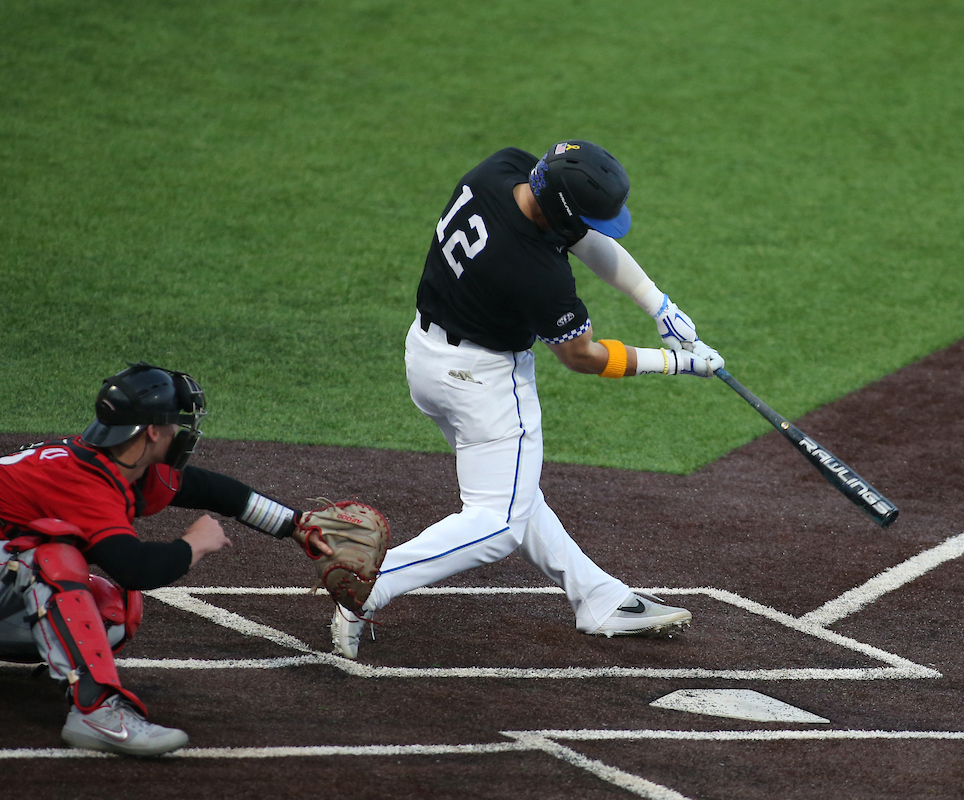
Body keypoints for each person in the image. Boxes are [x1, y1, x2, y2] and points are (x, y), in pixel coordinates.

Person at [330, 140, 724, 658]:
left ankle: (598, 596)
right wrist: (675, 362)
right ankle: (369, 584)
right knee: (497, 524)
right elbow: (581, 356)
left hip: (426, 358)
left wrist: (659, 305)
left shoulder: (505, 168)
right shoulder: (535, 271)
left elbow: (583, 236)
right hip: (484, 384)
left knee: (514, 493)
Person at [0, 362, 333, 757]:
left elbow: (213, 490)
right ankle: (97, 712)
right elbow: (134, 567)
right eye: (175, 422)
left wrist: (297, 525)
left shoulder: (115, 463)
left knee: (112, 611)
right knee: (52, 561)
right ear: (153, 431)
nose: (180, 431)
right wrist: (193, 544)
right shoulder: (83, 480)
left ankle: (77, 678)